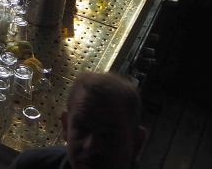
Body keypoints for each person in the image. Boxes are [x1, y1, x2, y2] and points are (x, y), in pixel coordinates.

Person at [9, 72, 148, 169]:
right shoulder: (30, 166)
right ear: (65, 126)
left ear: (136, 143)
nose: (91, 146)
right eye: (82, 128)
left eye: (109, 135)